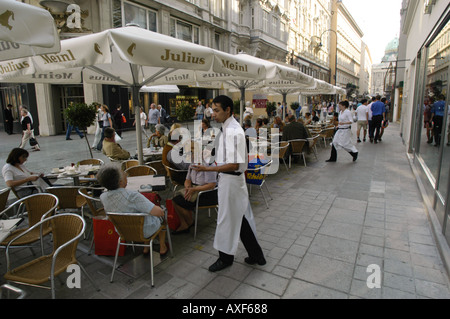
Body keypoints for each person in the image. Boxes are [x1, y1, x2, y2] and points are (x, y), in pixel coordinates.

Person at [192, 95, 266, 272]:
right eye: (213, 110)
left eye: (217, 110)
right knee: (238, 218)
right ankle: (257, 255)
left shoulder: (233, 130)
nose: (213, 114)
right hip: (229, 180)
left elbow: (234, 164)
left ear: (228, 110)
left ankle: (225, 259)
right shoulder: (228, 128)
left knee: (227, 220)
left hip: (231, 181)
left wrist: (207, 169)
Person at [97, 164, 168, 256]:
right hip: (144, 231)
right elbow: (158, 212)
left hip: (122, 232)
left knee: (143, 212)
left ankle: (146, 247)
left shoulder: (103, 197)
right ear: (120, 182)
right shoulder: (132, 195)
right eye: (124, 174)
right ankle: (162, 247)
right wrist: (160, 209)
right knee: (162, 213)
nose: (126, 175)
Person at [171, 142, 218, 234]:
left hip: (206, 193)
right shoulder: (193, 163)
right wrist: (188, 187)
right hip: (195, 189)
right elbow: (187, 180)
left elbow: (211, 185)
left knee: (179, 201)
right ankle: (186, 223)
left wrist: (194, 190)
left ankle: (188, 222)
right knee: (176, 199)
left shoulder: (208, 164)